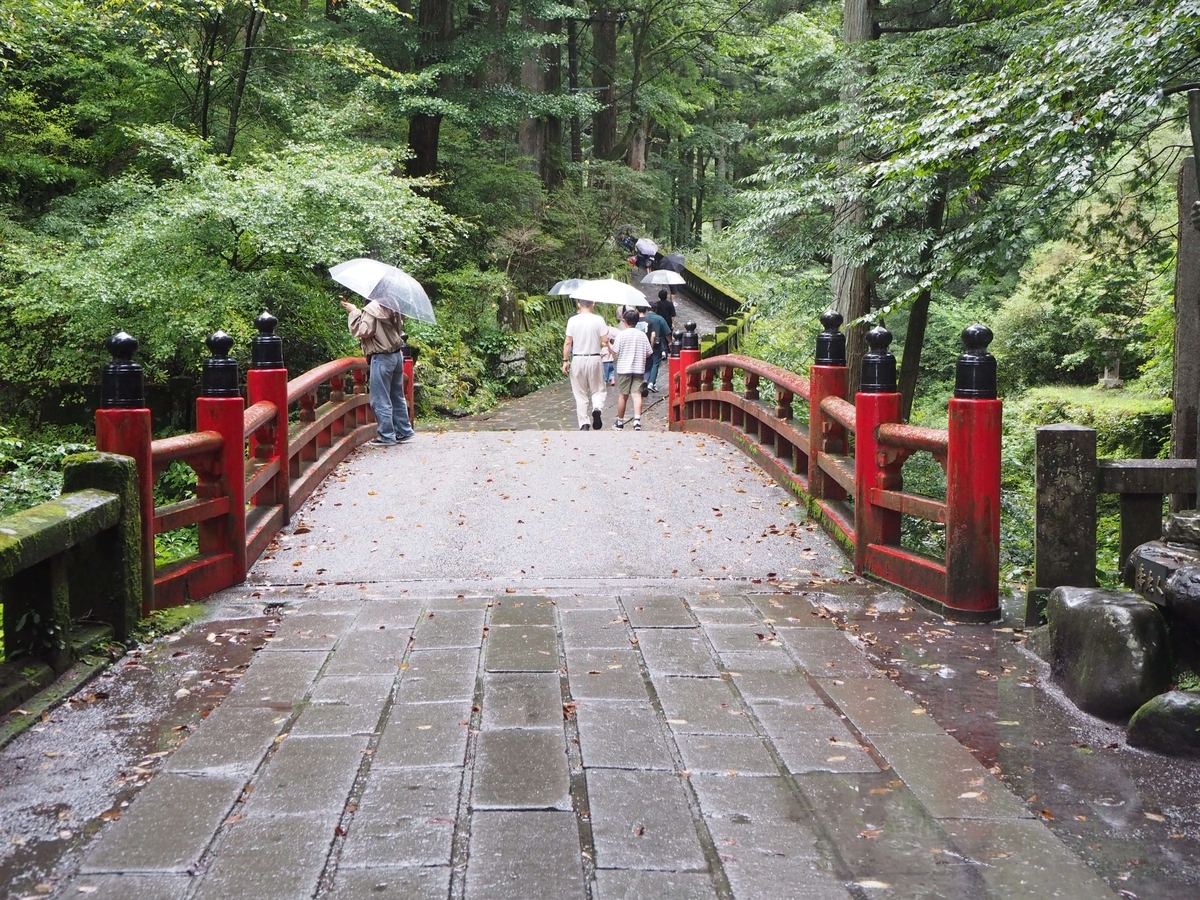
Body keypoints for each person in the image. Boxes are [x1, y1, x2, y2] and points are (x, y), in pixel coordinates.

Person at [341, 296, 415, 446]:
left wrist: (355, 312)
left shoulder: (371, 309)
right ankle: (404, 431)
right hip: (396, 355)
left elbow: (364, 331)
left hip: (381, 357)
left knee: (380, 398)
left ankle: (386, 435)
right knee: (396, 395)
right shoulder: (392, 304)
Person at [562, 298, 613, 431]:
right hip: (594, 358)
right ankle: (597, 407)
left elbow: (568, 342)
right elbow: (605, 340)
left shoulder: (572, 320)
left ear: (579, 304)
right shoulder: (599, 319)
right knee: (598, 389)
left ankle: (584, 423)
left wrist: (565, 361)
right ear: (593, 305)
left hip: (578, 358)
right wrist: (606, 339)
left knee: (580, 392)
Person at [611, 309, 652, 431]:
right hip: (639, 369)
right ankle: (637, 421)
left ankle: (620, 422)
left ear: (625, 321)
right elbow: (649, 353)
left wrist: (607, 344)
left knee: (623, 396)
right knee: (637, 395)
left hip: (624, 369)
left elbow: (614, 351)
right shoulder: (642, 335)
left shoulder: (621, 335)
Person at [643, 304, 671, 393]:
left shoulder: (643, 318)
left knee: (644, 363)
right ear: (655, 309)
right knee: (655, 363)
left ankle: (643, 380)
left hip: (643, 343)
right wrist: (670, 342)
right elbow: (667, 332)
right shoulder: (660, 319)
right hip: (656, 344)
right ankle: (651, 382)